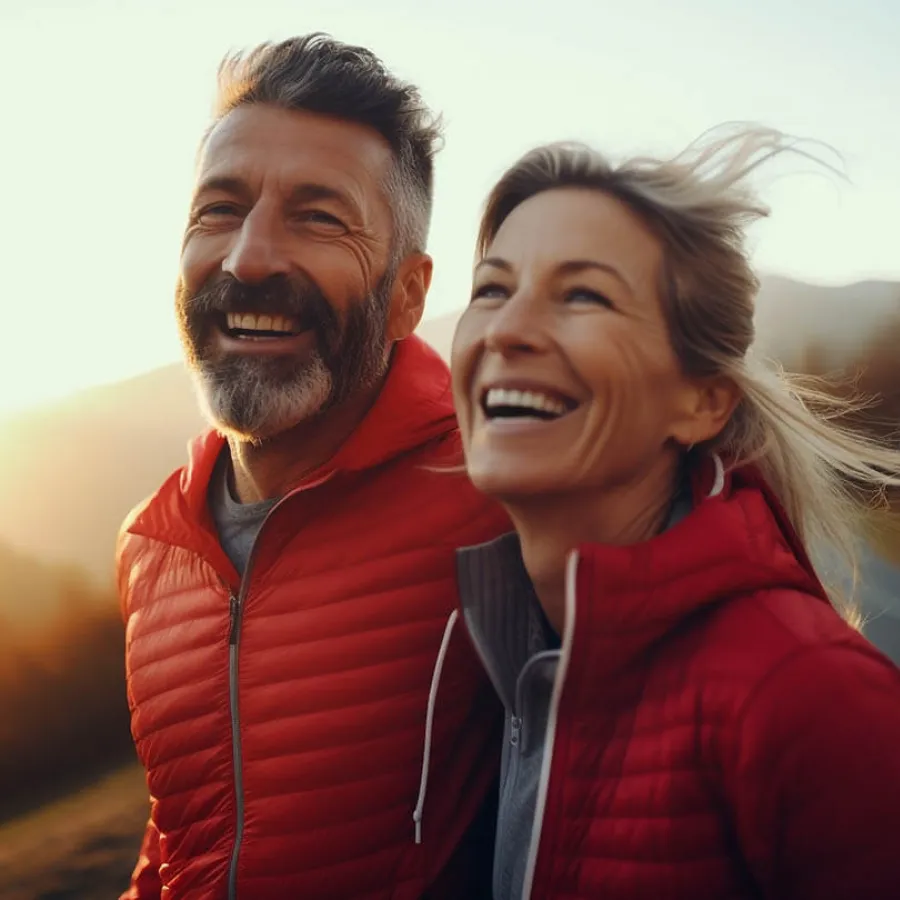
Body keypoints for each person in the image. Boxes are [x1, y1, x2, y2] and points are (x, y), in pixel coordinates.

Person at [449, 127, 900, 900]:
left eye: (583, 295)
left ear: (702, 402)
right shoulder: (486, 660)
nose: (507, 330)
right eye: (492, 289)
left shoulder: (809, 694)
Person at [117, 34, 508, 900]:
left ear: (407, 295)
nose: (247, 258)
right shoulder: (151, 547)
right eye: (219, 209)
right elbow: (180, 837)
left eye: (319, 218)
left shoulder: (501, 495)